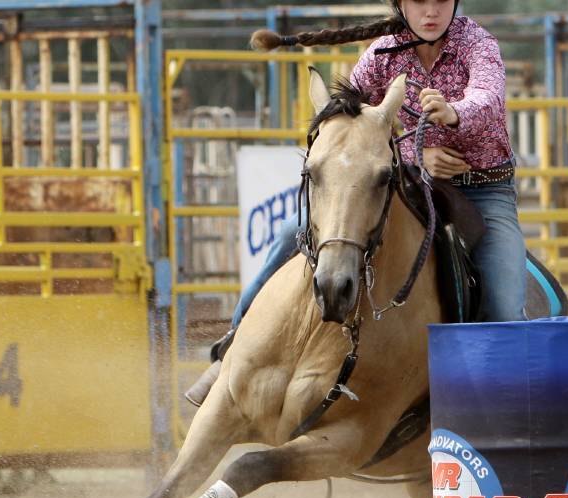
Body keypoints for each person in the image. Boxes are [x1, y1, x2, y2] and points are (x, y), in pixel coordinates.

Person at [185, 0, 524, 406]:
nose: (430, 11)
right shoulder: (382, 54)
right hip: (413, 181)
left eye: (441, 0)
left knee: (504, 302)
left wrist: (453, 113)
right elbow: (349, 121)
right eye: (418, 1)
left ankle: (498, 409)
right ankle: (230, 350)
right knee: (290, 235)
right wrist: (416, 153)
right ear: (401, 5)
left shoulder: (477, 44)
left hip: (484, 190)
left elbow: (488, 99)